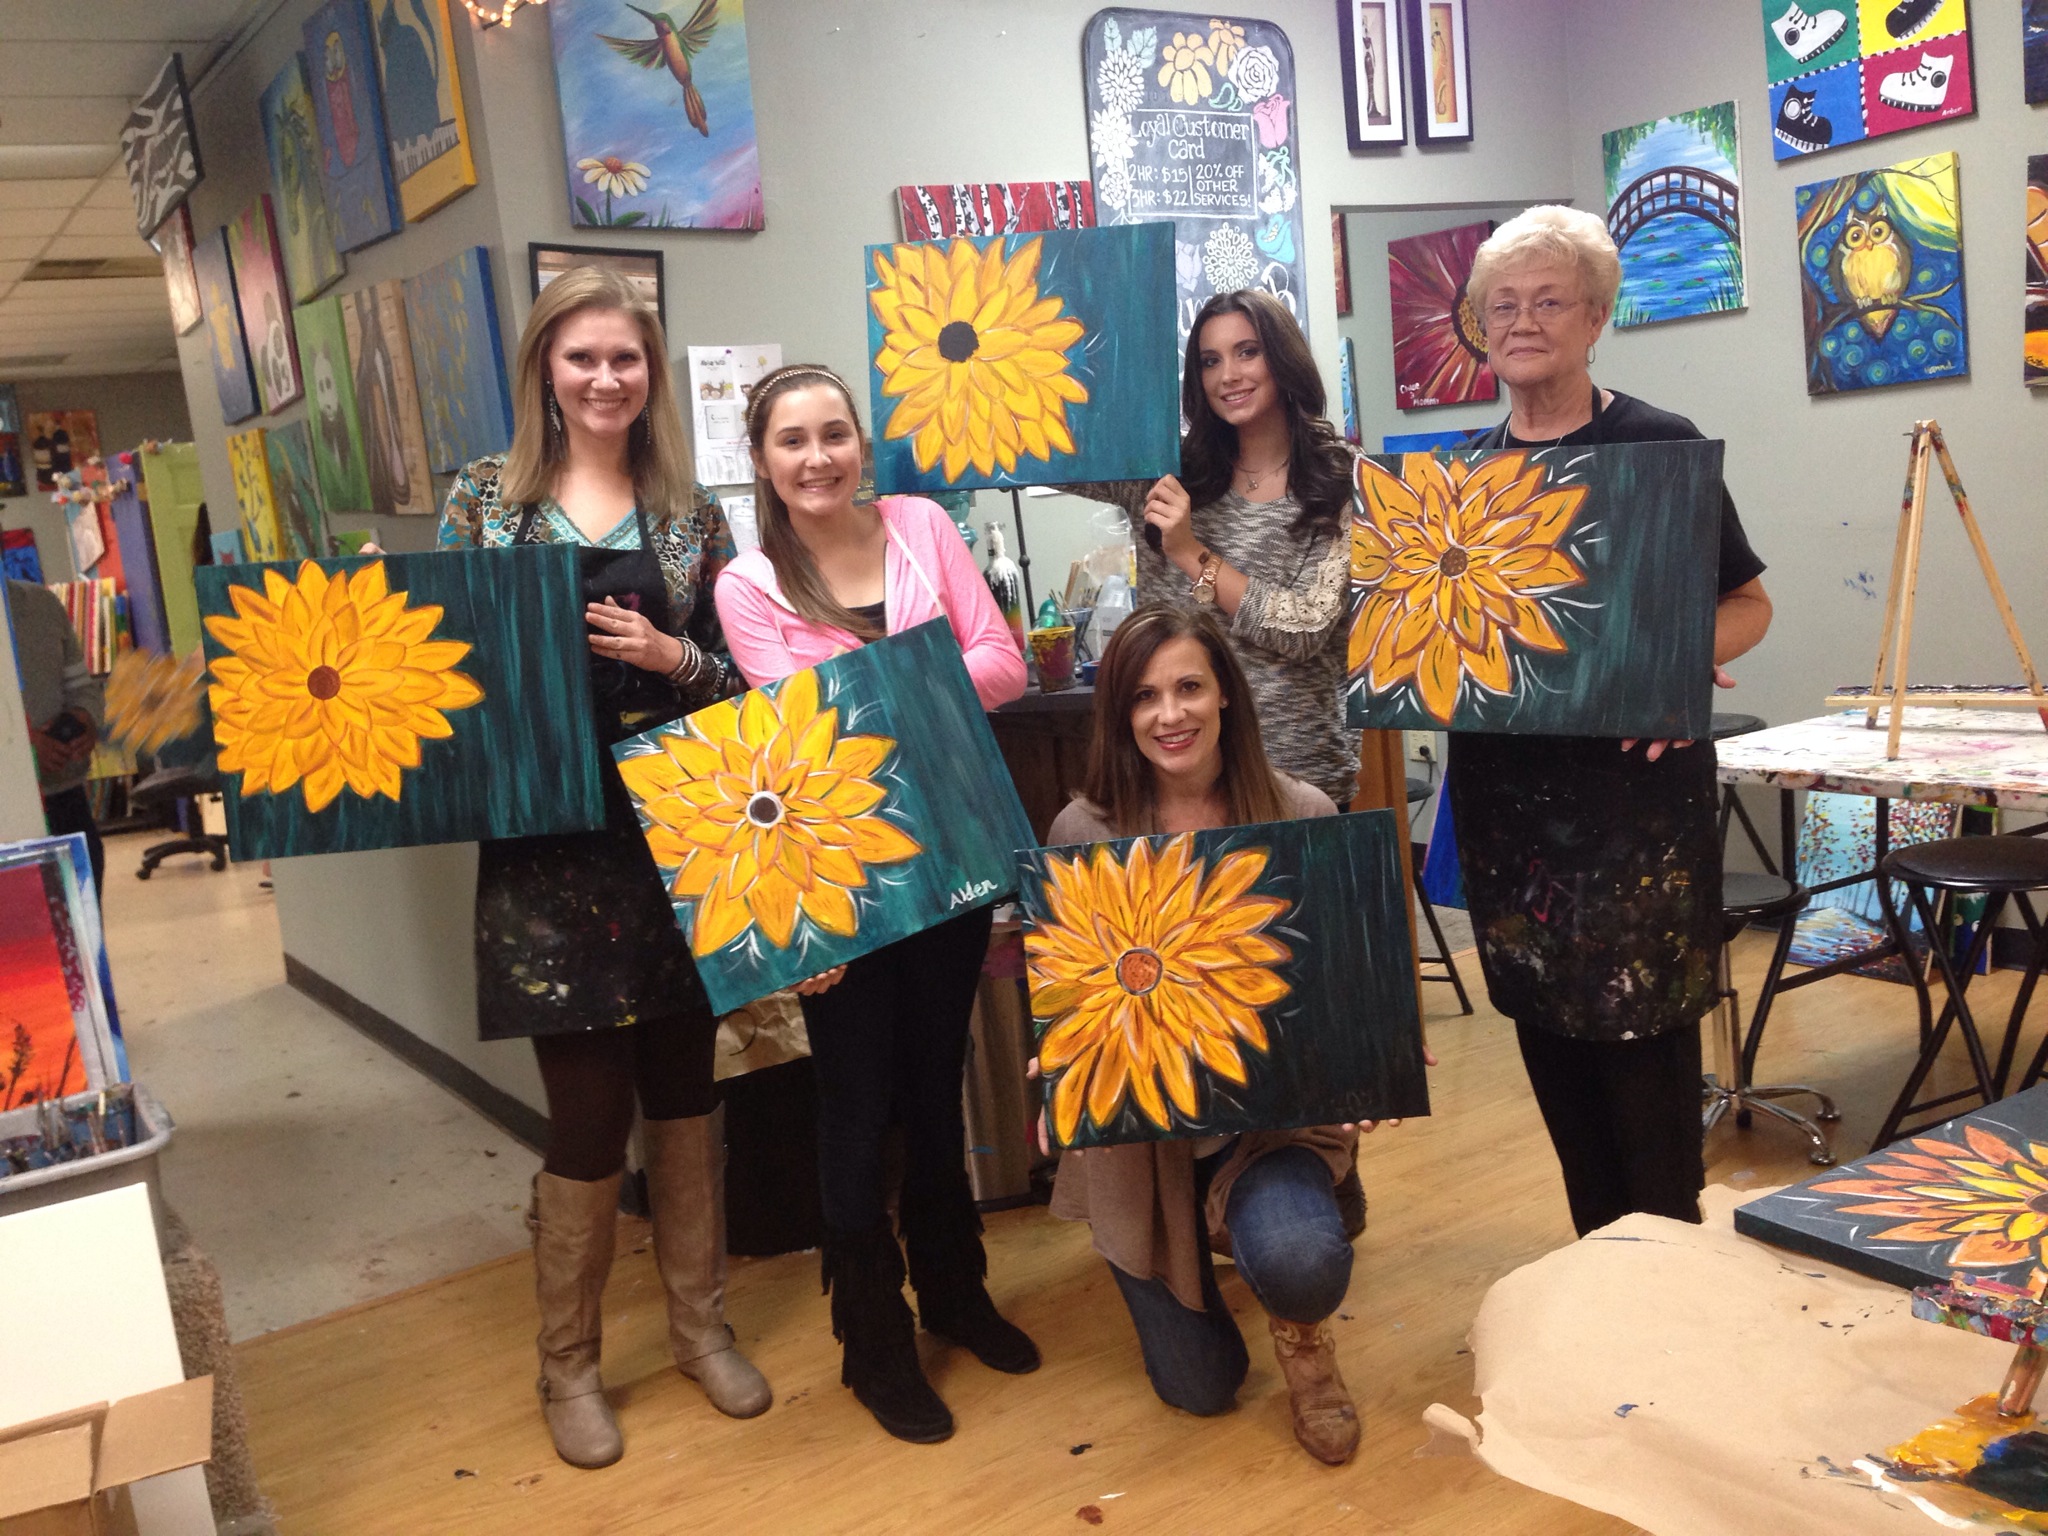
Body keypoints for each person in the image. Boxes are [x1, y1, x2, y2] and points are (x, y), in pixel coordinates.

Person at [436, 266, 769, 1469]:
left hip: (675, 835)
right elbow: (441, 677)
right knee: (586, 1117)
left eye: (624, 357)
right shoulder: (484, 503)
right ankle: (567, 1365)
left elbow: (741, 688)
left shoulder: (690, 513)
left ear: (649, 372)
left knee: (686, 1095)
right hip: (545, 850)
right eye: (581, 356)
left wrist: (671, 657)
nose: (604, 378)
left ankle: (699, 1329)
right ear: (545, 366)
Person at [714, 363, 1036, 1445]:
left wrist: (869, 695)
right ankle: (872, 1338)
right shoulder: (749, 586)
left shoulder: (919, 528)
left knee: (935, 1085)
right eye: (792, 440)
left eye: (834, 434)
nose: (818, 458)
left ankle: (954, 1291)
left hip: (949, 851)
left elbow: (1006, 668)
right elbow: (801, 739)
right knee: (855, 1106)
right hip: (838, 877)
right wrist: (922, 682)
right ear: (763, 461)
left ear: (861, 442)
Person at [1445, 205, 1772, 1238]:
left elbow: (1748, 605)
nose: (1522, 321)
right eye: (1502, 305)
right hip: (1510, 828)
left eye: (1549, 301)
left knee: (1648, 1104)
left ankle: (1666, 1289)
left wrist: (1674, 668)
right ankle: (1599, 1282)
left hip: (1636, 828)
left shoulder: (1656, 447)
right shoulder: (1459, 479)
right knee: (1564, 1092)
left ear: (1595, 318)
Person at [1038, 604, 1398, 1467]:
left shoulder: (1300, 809)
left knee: (1302, 1263)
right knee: (1201, 1388)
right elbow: (1071, 1002)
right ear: (1120, 714)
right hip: (1147, 1149)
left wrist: (1376, 1050)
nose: (1171, 715)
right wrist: (1059, 1067)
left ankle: (1303, 1328)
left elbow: (1346, 979)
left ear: (1226, 694)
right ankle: (1198, 1236)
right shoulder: (1084, 833)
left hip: (1269, 1128)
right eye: (1145, 696)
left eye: (1190, 687)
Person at [1085, 290, 1359, 812]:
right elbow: (1051, 453)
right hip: (1178, 782)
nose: (1228, 375)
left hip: (1298, 778)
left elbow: (1303, 627)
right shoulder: (1166, 471)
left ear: (1283, 358)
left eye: (1247, 352)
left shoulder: (1343, 479)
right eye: (1210, 361)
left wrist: (1191, 555)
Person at [7, 575, 105, 889]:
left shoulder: (42, 605)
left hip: (65, 798)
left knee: (84, 911)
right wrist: (22, 748)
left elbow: (82, 687)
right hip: (8, 813)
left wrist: (85, 718)